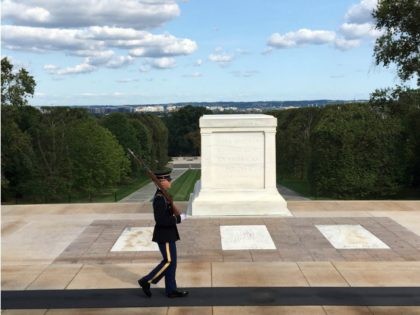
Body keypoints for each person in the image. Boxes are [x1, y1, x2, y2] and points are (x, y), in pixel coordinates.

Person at [138, 169, 188, 298]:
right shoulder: (159, 199)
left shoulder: (164, 196)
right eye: (168, 179)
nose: (171, 181)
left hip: (169, 234)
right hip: (164, 235)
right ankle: (146, 280)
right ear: (161, 182)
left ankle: (171, 290)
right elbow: (160, 220)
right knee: (169, 262)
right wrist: (178, 219)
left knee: (172, 263)